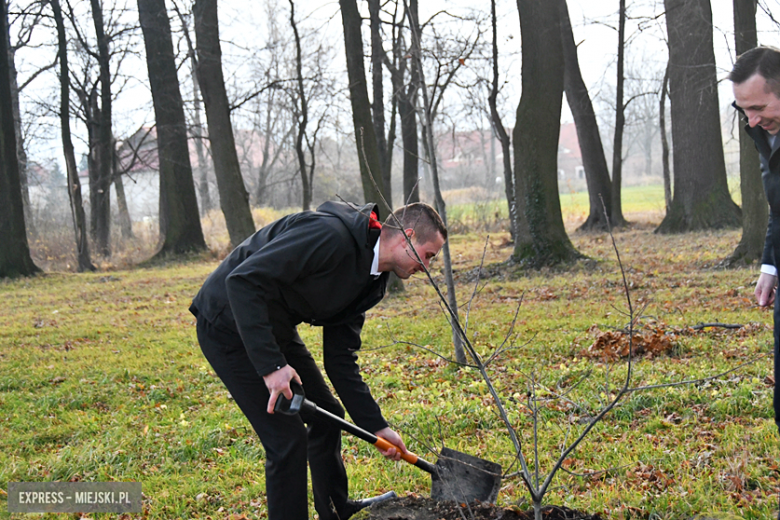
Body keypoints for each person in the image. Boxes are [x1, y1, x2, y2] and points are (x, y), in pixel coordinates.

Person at [189, 200, 447, 520]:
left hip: (274, 326)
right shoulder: (329, 236)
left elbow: (340, 359)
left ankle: (337, 510)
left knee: (327, 415)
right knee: (287, 439)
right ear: (407, 236)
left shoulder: (373, 281)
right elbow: (243, 281)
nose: (427, 267)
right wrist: (272, 366)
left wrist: (377, 426)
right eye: (428, 255)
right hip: (226, 324)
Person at [731, 46, 780, 519]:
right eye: (743, 109)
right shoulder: (764, 132)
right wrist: (770, 264)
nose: (750, 120)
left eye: (758, 108)